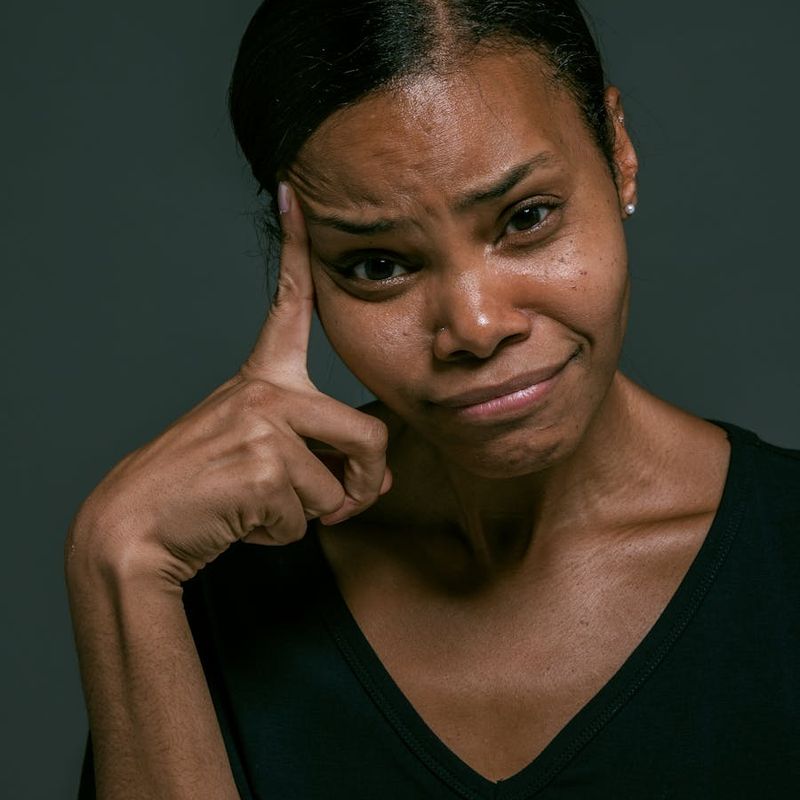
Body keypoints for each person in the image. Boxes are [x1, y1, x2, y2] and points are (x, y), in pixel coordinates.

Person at [66, 1, 800, 797]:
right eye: (379, 265)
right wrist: (119, 558)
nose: (475, 327)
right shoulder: (212, 598)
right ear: (304, 263)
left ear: (617, 151)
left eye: (527, 218)